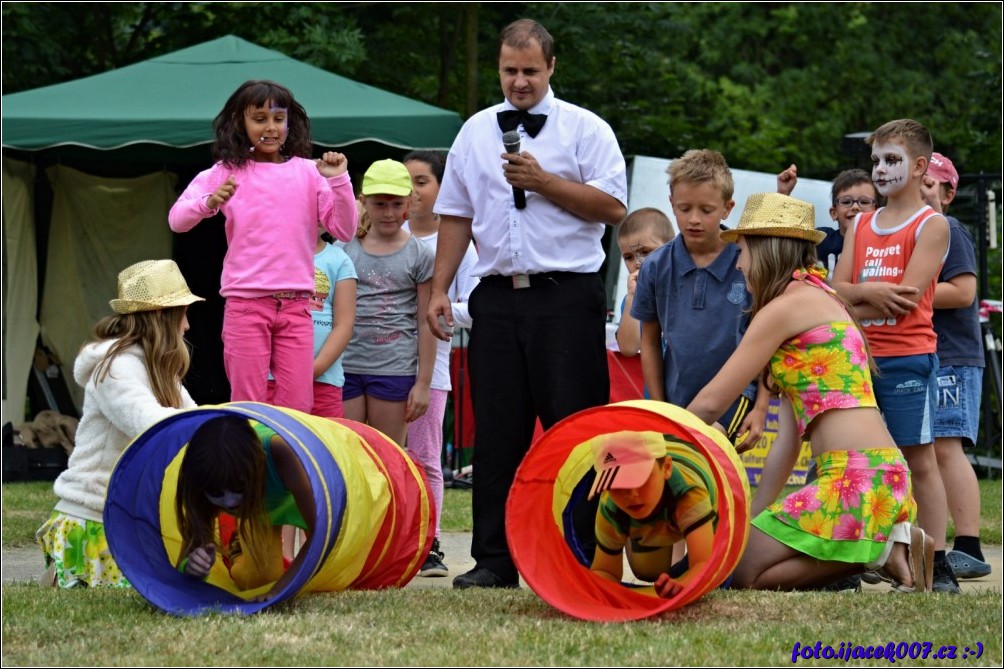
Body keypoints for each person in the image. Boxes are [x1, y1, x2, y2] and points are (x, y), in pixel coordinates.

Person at [427, 19, 628, 589]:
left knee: (575, 428)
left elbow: (614, 207)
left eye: (530, 71)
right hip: (495, 297)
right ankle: (494, 560)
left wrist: (543, 181)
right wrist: (440, 287)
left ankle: (581, 554)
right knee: (496, 433)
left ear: (552, 68)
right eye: (510, 70)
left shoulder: (586, 129)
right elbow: (455, 214)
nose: (519, 81)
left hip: (566, 296)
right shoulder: (474, 131)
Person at [688, 192, 933, 592]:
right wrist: (755, 520)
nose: (739, 264)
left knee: (745, 574)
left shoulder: (784, 309)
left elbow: (712, 402)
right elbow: (786, 443)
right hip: (881, 475)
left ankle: (883, 551)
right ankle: (887, 547)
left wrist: (659, 437)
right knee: (742, 566)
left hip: (853, 479)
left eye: (743, 250)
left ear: (765, 251)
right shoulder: (821, 298)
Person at [168, 79, 357, 414]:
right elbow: (177, 221)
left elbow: (343, 228)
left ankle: (282, 452)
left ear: (289, 123)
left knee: (297, 408)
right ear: (239, 122)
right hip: (246, 304)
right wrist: (209, 203)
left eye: (278, 119)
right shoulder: (227, 171)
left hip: (298, 305)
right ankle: (250, 451)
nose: (270, 127)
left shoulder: (310, 172)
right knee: (248, 404)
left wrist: (339, 180)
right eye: (259, 119)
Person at [831, 119, 956, 593]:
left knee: (919, 460)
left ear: (919, 166)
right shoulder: (861, 223)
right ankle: (848, 560)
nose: (880, 170)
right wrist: (868, 293)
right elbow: (837, 290)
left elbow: (906, 299)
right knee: (854, 460)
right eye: (876, 161)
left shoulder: (932, 224)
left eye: (891, 160)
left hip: (907, 359)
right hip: (859, 358)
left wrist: (857, 296)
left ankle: (935, 563)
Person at [36, 259, 204, 588]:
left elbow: (193, 418)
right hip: (93, 519)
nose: (186, 326)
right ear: (161, 315)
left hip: (133, 517)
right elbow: (152, 425)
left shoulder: (160, 369)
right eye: (182, 314)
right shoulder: (115, 367)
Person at [632, 149, 767, 450]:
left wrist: (760, 407)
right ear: (671, 204)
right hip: (675, 401)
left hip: (734, 398)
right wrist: (659, 409)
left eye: (706, 210)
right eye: (684, 208)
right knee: (678, 470)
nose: (694, 219)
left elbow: (769, 338)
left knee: (707, 457)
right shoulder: (655, 266)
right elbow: (649, 341)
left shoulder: (749, 261)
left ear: (727, 208)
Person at [402, 150, 480, 578]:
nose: (412, 192)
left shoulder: (456, 244)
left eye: (421, 182)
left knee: (425, 456)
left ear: (442, 188)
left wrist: (438, 311)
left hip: (430, 370)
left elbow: (473, 302)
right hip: (376, 365)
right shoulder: (379, 233)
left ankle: (427, 543)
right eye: (406, 182)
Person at [921, 152, 991, 580]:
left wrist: (906, 290)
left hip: (953, 357)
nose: (920, 190)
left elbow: (964, 292)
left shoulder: (949, 230)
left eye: (929, 184)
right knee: (924, 449)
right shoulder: (911, 234)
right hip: (923, 355)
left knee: (947, 447)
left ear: (948, 194)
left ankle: (969, 546)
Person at [342, 159, 436, 448]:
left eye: (396, 204)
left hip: (394, 368)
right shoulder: (344, 248)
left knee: (387, 454)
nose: (389, 213)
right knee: (346, 453)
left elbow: (426, 322)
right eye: (379, 204)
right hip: (344, 366)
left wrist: (423, 383)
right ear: (363, 202)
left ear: (410, 201)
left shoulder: (420, 254)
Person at [175, 415, 313, 600]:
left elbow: (322, 533)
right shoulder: (208, 479)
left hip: (300, 503)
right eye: (216, 493)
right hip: (260, 513)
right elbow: (186, 559)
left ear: (260, 462)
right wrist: (192, 569)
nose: (230, 502)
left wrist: (277, 591)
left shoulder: (280, 451)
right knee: (260, 579)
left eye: (239, 488)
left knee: (322, 560)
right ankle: (237, 552)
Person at [587, 431, 715, 598]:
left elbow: (705, 564)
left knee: (722, 575)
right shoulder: (610, 506)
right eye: (618, 483)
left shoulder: (689, 494)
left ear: (667, 468)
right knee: (648, 572)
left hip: (699, 464)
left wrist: (684, 584)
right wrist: (596, 590)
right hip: (659, 508)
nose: (632, 494)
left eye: (641, 478)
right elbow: (605, 571)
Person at [268, 224, 357, 420]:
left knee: (320, 439)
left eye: (319, 210)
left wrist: (308, 373)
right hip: (272, 380)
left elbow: (344, 325)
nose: (312, 216)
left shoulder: (339, 260)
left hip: (323, 383)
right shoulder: (268, 254)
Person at [776, 165, 884, 277]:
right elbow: (783, 246)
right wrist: (783, 194)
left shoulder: (885, 247)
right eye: (846, 202)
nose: (855, 207)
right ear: (834, 213)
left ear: (878, 211)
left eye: (864, 202)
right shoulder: (820, 240)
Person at [614, 207, 675, 357]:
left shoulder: (686, 290)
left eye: (646, 252)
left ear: (671, 249)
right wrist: (632, 297)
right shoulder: (631, 300)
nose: (637, 263)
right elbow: (628, 349)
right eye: (628, 257)